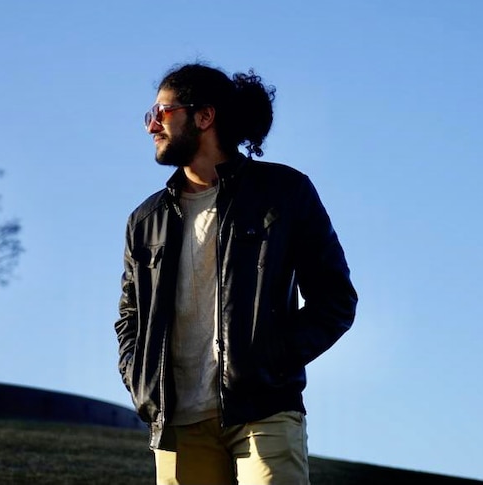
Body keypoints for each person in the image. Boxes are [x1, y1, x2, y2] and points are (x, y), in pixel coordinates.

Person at [114, 63, 357, 485]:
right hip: (178, 424)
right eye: (150, 115)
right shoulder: (144, 220)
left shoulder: (284, 192)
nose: (152, 125)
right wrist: (141, 382)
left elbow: (335, 300)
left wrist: (270, 357)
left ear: (204, 116)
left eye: (163, 112)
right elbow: (129, 320)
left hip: (264, 411)